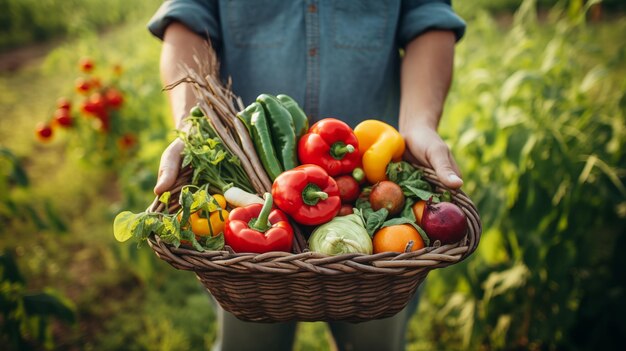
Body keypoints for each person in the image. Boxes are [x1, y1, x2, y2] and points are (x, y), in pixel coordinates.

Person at [148, 1, 465, 350]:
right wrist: (191, 129)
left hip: (377, 189)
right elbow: (188, 17)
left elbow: (428, 18)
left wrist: (419, 126)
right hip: (245, 228)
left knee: (375, 341)